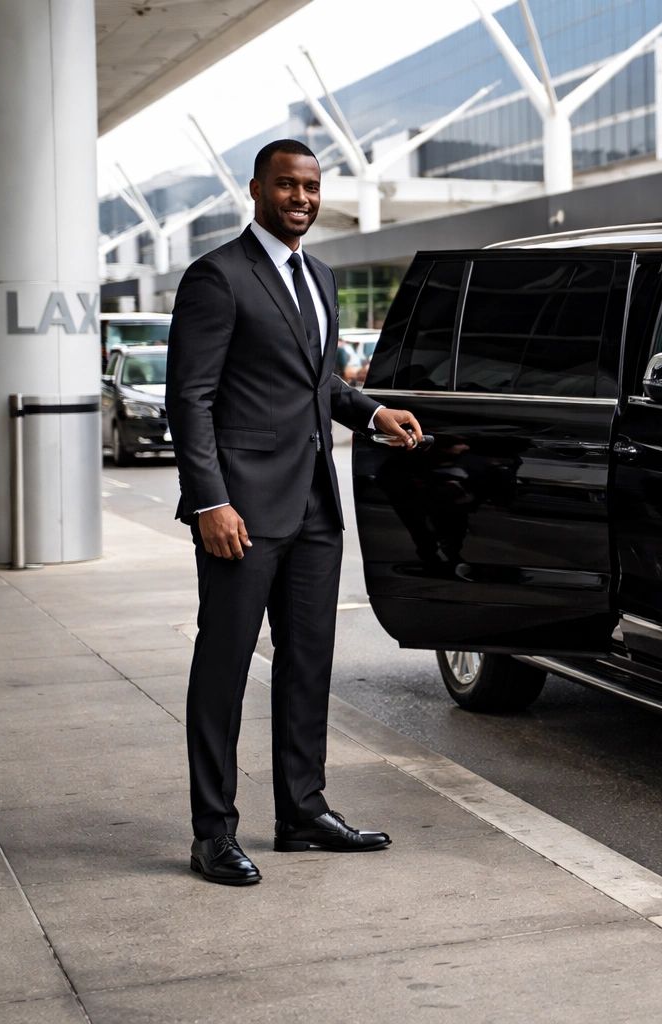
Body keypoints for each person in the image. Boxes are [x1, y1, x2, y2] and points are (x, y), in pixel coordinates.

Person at [166, 139, 424, 886]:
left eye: (311, 186)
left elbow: (314, 385)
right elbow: (193, 399)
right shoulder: (217, 277)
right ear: (256, 190)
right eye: (287, 185)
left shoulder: (319, 274)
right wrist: (210, 500)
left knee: (309, 665)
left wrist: (372, 412)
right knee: (222, 669)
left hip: (314, 505)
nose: (302, 198)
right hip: (242, 512)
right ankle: (213, 832)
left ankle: (302, 813)